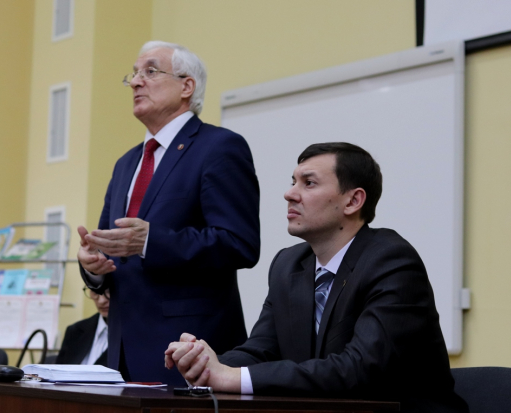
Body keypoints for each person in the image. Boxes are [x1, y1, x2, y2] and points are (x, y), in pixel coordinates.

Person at [165, 142, 469, 412]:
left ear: (353, 201)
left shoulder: (391, 261)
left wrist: (232, 378)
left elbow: (359, 369)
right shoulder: (288, 264)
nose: (289, 194)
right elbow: (261, 350)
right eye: (293, 182)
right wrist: (205, 363)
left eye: (308, 183)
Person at [77, 41, 260, 385]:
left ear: (186, 86)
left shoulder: (219, 147)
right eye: (134, 74)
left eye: (150, 71)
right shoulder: (126, 163)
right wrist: (94, 267)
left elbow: (239, 244)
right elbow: (112, 250)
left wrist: (151, 242)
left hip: (188, 350)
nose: (135, 82)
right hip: (122, 351)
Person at [55, 287, 110, 367]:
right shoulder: (75, 331)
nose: (101, 301)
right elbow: (58, 371)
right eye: (95, 292)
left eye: (110, 292)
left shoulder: (130, 335)